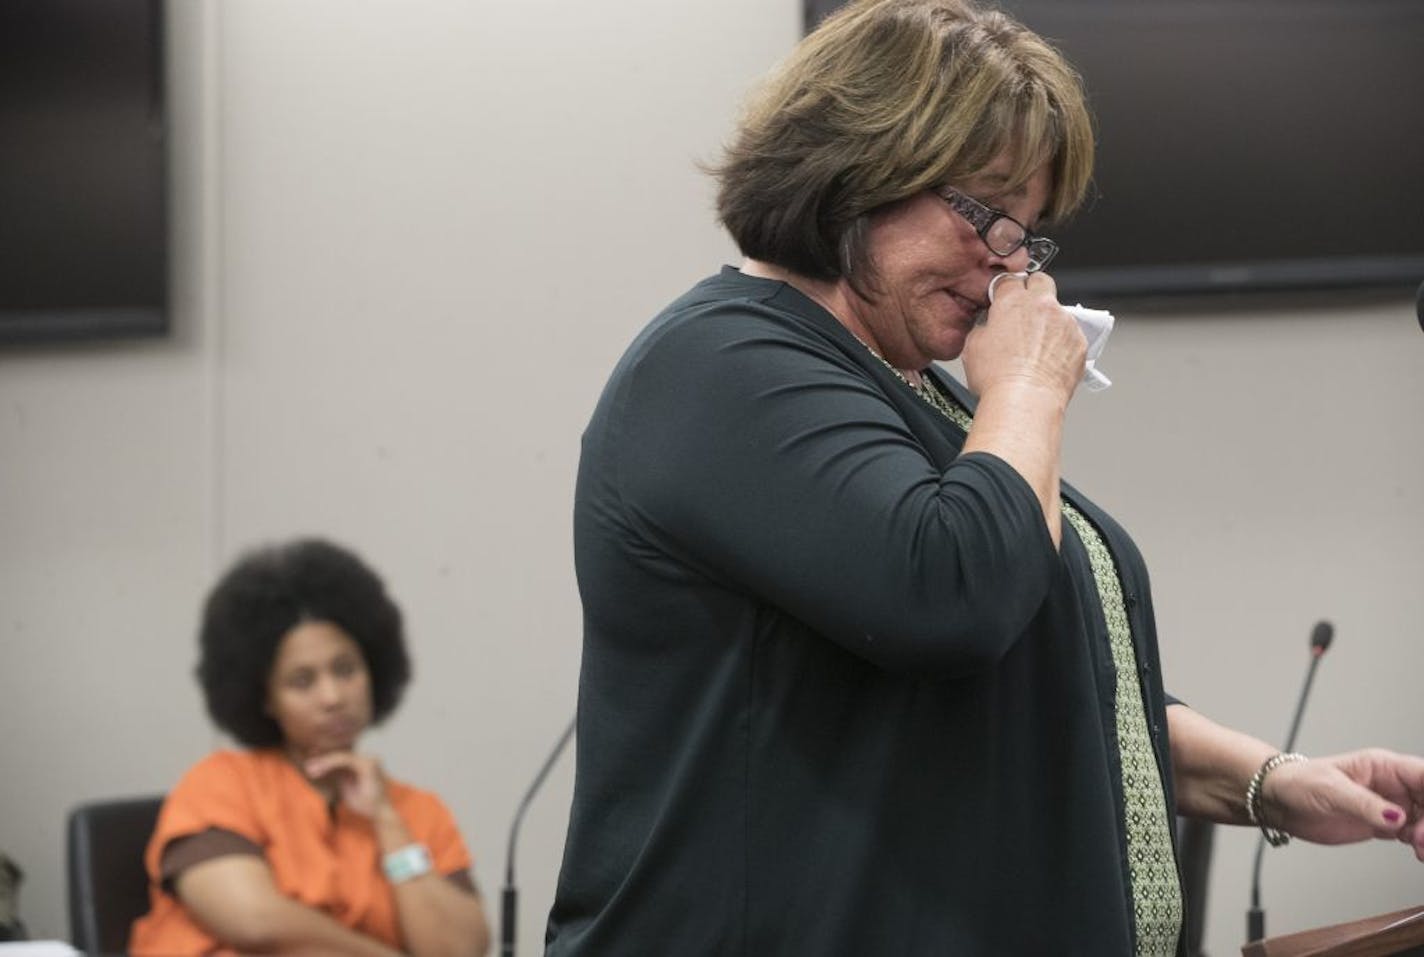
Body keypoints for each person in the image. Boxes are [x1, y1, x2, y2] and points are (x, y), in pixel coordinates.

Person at [544, 1, 1424, 954]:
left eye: (1028, 231)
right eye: (985, 212)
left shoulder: (907, 389)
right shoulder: (722, 364)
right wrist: (1033, 385)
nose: (1011, 262)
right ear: (856, 168)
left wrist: (1273, 780)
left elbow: (1038, 687)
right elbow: (954, 593)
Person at [130, 539, 490, 957]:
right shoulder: (221, 782)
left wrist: (387, 822)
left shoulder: (418, 812)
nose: (333, 696)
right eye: (303, 681)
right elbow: (256, 923)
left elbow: (460, 950)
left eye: (345, 669)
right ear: (265, 698)